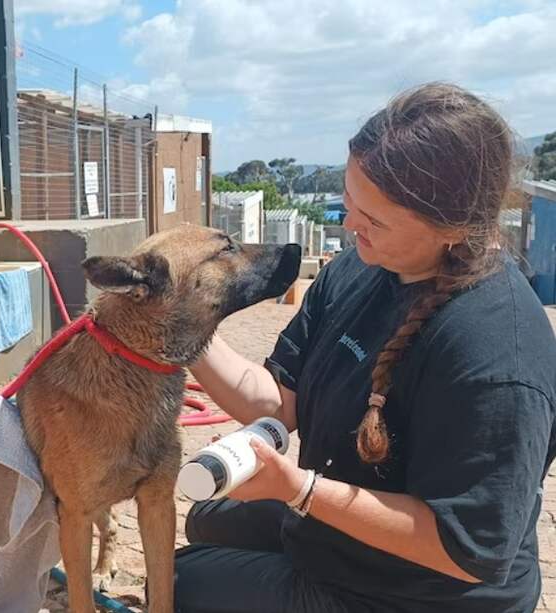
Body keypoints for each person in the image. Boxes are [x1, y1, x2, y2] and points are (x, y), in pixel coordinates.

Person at [174, 82, 556, 612]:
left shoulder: (497, 353)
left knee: (173, 583)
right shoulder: (361, 267)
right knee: (204, 520)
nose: (350, 226)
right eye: (350, 202)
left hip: (425, 592)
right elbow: (277, 404)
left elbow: (465, 547)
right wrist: (181, 331)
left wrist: (300, 490)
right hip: (337, 523)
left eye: (373, 219)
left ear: (451, 227)